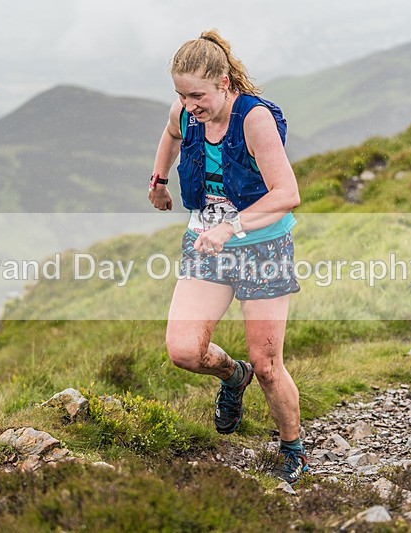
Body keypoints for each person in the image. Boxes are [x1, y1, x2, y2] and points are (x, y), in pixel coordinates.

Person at [147, 30, 306, 484]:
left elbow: (287, 193)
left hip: (262, 248)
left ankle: (293, 449)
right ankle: (232, 377)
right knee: (183, 350)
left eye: (197, 94)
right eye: (181, 94)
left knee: (269, 366)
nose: (189, 104)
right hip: (205, 244)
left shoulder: (254, 119)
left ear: (223, 81)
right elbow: (170, 132)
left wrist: (231, 226)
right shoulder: (186, 111)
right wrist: (158, 180)